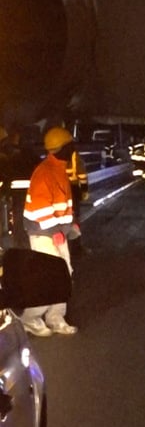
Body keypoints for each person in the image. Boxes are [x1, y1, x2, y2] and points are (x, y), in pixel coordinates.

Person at [20, 126, 79, 336]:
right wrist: (55, 230)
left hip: (56, 232)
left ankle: (55, 318)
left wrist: (70, 224)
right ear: (61, 148)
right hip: (43, 233)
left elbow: (62, 203)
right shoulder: (45, 172)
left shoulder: (58, 169)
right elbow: (41, 207)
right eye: (70, 145)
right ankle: (30, 319)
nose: (74, 148)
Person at [0, 126, 40, 249]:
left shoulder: (11, 158)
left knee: (18, 223)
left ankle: (19, 248)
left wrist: (5, 193)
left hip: (17, 196)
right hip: (31, 197)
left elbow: (7, 178)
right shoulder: (33, 158)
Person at [65, 148, 89, 258]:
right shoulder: (74, 156)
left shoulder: (52, 154)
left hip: (58, 189)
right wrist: (84, 190)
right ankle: (76, 246)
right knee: (75, 217)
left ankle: (63, 245)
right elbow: (82, 174)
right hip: (72, 189)